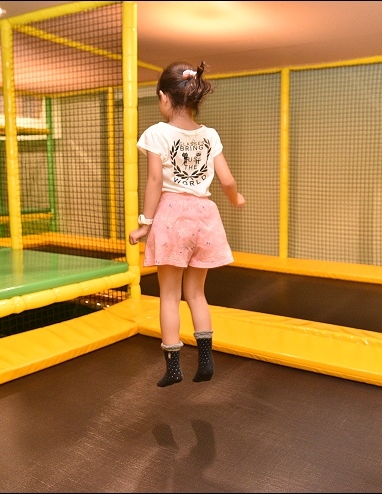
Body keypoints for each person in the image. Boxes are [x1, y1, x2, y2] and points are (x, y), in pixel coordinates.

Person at [129, 61, 245, 387]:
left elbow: (155, 181)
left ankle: (174, 367)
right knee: (196, 293)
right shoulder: (210, 135)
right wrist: (236, 198)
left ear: (164, 97)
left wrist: (145, 224)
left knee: (169, 295)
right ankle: (206, 360)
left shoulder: (157, 133)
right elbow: (227, 180)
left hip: (172, 215)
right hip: (205, 215)